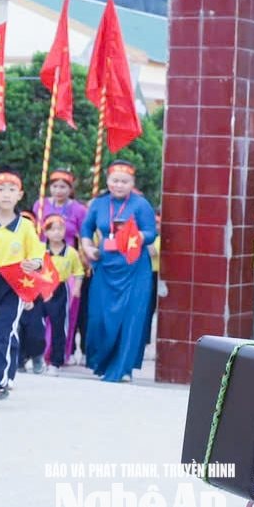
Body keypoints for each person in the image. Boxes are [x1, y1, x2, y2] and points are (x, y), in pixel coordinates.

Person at [80, 160, 158, 382]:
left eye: (125, 181)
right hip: (105, 267)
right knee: (99, 316)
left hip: (134, 268)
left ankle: (123, 368)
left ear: (132, 183)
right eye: (115, 180)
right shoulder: (99, 204)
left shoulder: (141, 205)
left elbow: (151, 233)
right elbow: (86, 228)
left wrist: (133, 237)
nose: (119, 185)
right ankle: (102, 361)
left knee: (130, 318)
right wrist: (87, 246)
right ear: (108, 181)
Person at [0, 170, 43, 405]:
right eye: (0, 189)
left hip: (13, 285)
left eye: (11, 190)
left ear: (20, 195)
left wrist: (34, 263)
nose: (6, 195)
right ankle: (1, 370)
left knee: (6, 330)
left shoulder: (25, 226)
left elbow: (36, 255)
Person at [38, 215, 83, 373]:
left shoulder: (71, 252)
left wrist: (77, 288)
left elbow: (78, 272)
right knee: (36, 325)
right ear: (46, 232)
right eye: (52, 229)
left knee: (59, 326)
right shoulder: (39, 250)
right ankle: (35, 357)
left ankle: (55, 362)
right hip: (41, 289)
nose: (57, 233)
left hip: (60, 290)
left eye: (60, 229)